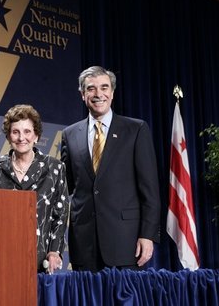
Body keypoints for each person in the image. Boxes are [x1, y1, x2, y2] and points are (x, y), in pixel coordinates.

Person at [61, 65, 161, 272]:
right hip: (84, 244)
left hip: (126, 243)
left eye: (104, 88)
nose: (98, 94)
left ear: (112, 93)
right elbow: (67, 187)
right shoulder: (70, 134)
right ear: (82, 94)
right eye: (91, 89)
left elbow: (150, 190)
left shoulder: (136, 129)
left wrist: (148, 235)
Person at [0, 104, 69, 274]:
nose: (21, 137)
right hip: (1, 257)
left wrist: (54, 251)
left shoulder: (54, 167)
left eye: (27, 131)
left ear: (36, 135)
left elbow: (60, 216)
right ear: (9, 136)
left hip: (40, 261)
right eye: (15, 132)